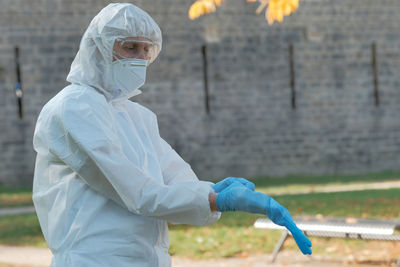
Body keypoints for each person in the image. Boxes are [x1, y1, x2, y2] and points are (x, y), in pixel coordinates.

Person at [32, 3, 311, 267]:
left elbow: (176, 180)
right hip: (92, 260)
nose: (140, 59)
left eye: (146, 50)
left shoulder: (136, 117)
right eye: (130, 48)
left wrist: (216, 191)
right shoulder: (73, 107)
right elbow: (139, 194)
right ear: (99, 48)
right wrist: (217, 200)